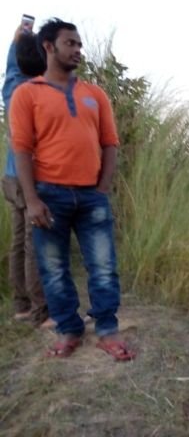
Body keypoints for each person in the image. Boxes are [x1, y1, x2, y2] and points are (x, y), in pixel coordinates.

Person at [9, 18, 135, 361]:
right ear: (48, 46)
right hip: (49, 196)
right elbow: (22, 150)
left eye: (79, 44)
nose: (78, 50)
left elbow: (110, 143)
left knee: (103, 265)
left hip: (92, 196)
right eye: (70, 43)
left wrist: (102, 188)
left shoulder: (94, 94)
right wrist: (32, 200)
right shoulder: (27, 94)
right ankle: (69, 329)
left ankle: (107, 329)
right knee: (53, 268)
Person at [1, 22, 54, 329]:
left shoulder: (11, 86)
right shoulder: (36, 94)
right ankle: (40, 311)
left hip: (10, 177)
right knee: (35, 244)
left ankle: (21, 306)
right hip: (29, 176)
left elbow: (13, 63)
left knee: (18, 240)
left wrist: (17, 40)